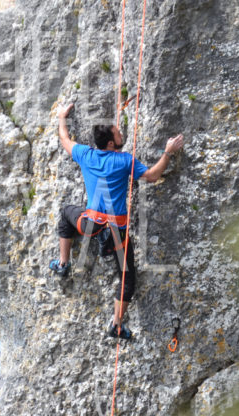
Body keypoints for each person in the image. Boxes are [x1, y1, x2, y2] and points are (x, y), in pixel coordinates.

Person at [49, 102, 184, 340]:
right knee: (127, 278)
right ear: (111, 142)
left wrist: (62, 117)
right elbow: (152, 176)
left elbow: (64, 139)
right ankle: (116, 324)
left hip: (89, 224)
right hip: (115, 232)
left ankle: (62, 264)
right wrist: (168, 152)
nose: (122, 133)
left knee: (66, 214)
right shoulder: (124, 162)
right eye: (118, 132)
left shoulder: (86, 154)